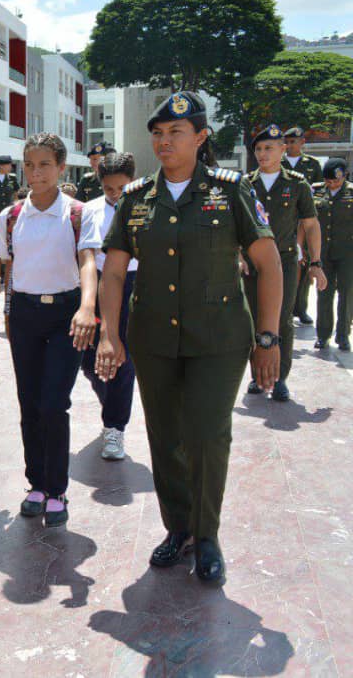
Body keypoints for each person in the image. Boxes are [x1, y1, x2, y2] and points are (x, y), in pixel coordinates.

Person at [97, 91, 281, 583]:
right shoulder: (136, 198)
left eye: (176, 132)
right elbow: (112, 272)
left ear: (200, 138)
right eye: (157, 133)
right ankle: (178, 528)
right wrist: (110, 334)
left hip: (219, 340)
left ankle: (206, 536)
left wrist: (269, 337)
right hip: (154, 338)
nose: (164, 141)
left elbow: (269, 265)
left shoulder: (231, 191)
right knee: (165, 438)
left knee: (206, 434)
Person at [0, 133, 100, 528]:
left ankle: (57, 489)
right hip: (25, 314)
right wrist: (8, 316)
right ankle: (36, 485)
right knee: (29, 402)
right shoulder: (10, 216)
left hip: (66, 316)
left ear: (61, 167)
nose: (35, 172)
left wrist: (87, 308)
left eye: (44, 164)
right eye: (29, 165)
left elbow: (87, 260)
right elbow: (10, 269)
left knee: (54, 403)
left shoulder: (77, 212)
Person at [243, 124, 325, 400]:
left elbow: (311, 224)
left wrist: (316, 262)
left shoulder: (297, 184)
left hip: (285, 262)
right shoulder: (245, 184)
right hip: (253, 262)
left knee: (282, 318)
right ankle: (257, 375)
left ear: (282, 150)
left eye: (269, 148)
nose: (262, 154)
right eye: (258, 149)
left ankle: (279, 378)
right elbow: (233, 225)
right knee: (254, 316)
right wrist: (238, 256)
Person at [80, 152, 138, 461]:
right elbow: (87, 254)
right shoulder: (90, 210)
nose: (115, 194)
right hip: (100, 283)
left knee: (121, 358)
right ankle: (112, 402)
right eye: (108, 189)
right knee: (88, 360)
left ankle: (115, 427)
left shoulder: (144, 206)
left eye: (121, 188)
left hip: (133, 283)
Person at [283, 127, 325, 326]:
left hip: (305, 221)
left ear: (302, 143)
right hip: (285, 221)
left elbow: (319, 192)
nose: (290, 145)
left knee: (304, 266)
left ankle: (301, 308)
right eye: (287, 141)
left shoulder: (312, 164)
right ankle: (285, 308)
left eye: (294, 141)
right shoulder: (278, 162)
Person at [314, 158, 353, 352]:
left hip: (348, 253)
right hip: (323, 252)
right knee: (324, 293)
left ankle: (343, 335)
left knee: (346, 294)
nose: (332, 184)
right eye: (328, 181)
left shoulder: (351, 192)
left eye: (336, 181)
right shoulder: (316, 191)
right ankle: (323, 335)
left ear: (344, 176)